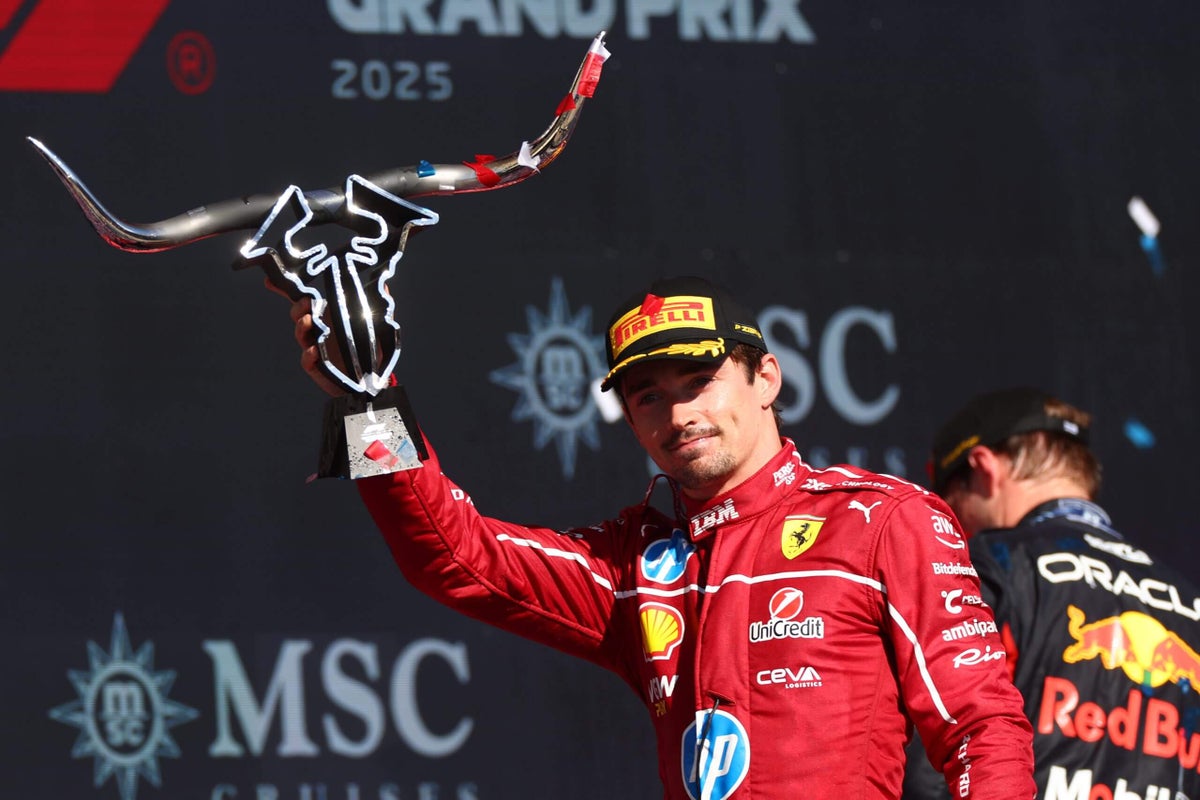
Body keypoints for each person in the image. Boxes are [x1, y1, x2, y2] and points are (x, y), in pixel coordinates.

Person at [284, 275, 1034, 799]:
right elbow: (453, 557)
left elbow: (980, 727)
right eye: (647, 396)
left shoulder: (883, 520)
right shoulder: (634, 560)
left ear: (766, 379)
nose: (677, 416)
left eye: (698, 381)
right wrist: (368, 399)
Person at [903, 388, 1200, 800]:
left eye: (951, 502)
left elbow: (930, 764)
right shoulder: (1190, 604)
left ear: (984, 469)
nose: (956, 525)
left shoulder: (988, 566)